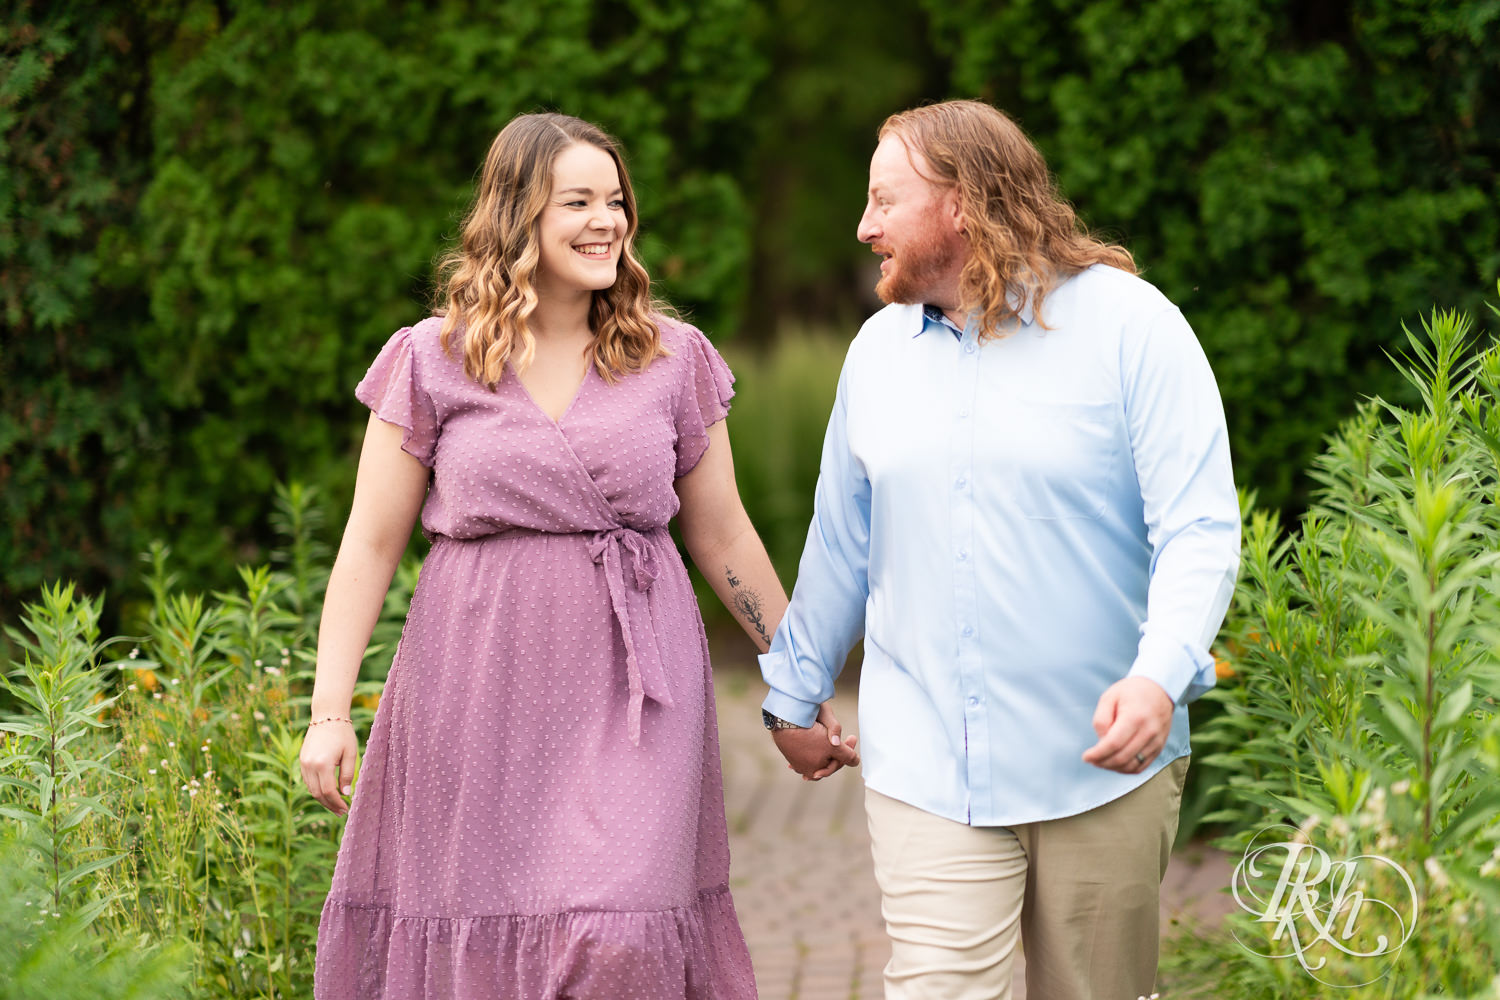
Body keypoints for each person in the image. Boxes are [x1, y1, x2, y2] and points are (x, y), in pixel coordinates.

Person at [299, 112, 858, 1000]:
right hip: (475, 683)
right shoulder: (432, 359)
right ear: (517, 215)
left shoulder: (673, 359)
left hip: (637, 689)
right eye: (580, 202)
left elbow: (724, 536)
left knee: (621, 935)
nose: (609, 220)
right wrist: (331, 711)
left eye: (618, 201)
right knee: (480, 926)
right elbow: (370, 544)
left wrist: (800, 686)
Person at [759, 99, 1240, 1000]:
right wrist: (790, 698)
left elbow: (1200, 525)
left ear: (963, 204)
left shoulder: (1134, 327)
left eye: (883, 201)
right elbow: (842, 542)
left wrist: (1159, 673)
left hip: (1100, 761)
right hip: (926, 756)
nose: (863, 227)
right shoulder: (876, 355)